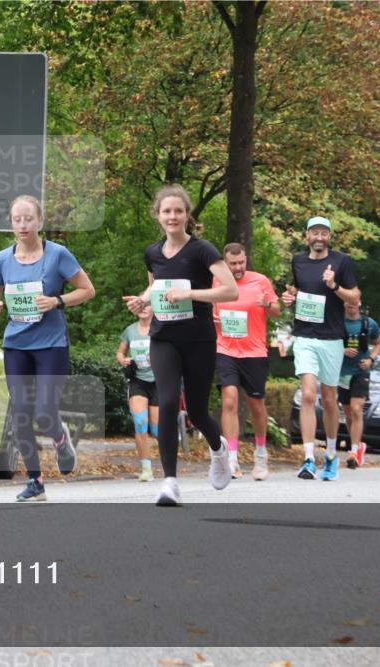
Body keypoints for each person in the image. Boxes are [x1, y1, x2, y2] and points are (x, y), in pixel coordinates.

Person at [123, 184, 239, 506]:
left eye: (178, 211)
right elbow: (155, 289)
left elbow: (230, 291)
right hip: (163, 338)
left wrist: (190, 294)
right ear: (157, 216)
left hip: (199, 340)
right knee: (170, 400)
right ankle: (170, 482)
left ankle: (218, 451)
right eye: (166, 211)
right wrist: (142, 302)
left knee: (199, 411)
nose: (172, 216)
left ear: (187, 215)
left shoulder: (202, 250)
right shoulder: (152, 253)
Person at [0, 195, 96, 501]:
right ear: (11, 222)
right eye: (17, 219)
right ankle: (36, 482)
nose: (23, 225)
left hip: (51, 345)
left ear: (40, 222)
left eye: (28, 219)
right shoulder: (2, 260)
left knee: (45, 411)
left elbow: (88, 290)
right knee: (21, 413)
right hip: (16, 345)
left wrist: (57, 301)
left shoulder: (58, 255)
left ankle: (60, 439)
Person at [281, 216, 360, 482]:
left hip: (332, 338)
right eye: (314, 232)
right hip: (305, 336)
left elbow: (355, 297)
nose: (319, 237)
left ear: (329, 236)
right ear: (307, 237)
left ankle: (330, 455)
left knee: (328, 398)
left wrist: (334, 286)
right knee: (307, 394)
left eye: (323, 233)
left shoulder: (342, 262)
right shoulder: (298, 261)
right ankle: (307, 458)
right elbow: (299, 293)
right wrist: (290, 300)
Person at [212, 243, 279, 481]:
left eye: (241, 263)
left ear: (246, 259)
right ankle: (232, 458)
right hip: (226, 350)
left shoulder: (260, 281)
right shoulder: (217, 281)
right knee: (229, 400)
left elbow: (277, 311)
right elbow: (211, 308)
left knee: (256, 406)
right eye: (233, 264)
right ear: (225, 262)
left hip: (254, 352)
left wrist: (268, 304)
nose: (238, 268)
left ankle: (261, 455)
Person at [337, 301, 380, 470]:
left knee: (357, 409)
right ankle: (358, 444)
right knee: (348, 413)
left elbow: (379, 343)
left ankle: (353, 451)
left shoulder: (368, 323)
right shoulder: (338, 321)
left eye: (354, 302)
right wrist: (342, 350)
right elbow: (329, 342)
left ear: (360, 303)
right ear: (344, 303)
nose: (351, 305)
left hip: (361, 371)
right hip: (343, 372)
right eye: (348, 302)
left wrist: (371, 359)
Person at [117, 301, 158, 482]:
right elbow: (120, 352)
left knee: (158, 429)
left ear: (154, 308)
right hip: (137, 381)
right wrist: (123, 360)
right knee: (140, 423)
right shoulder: (130, 330)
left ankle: (168, 464)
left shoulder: (160, 328)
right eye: (140, 306)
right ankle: (146, 469)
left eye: (147, 305)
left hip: (158, 381)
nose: (143, 308)